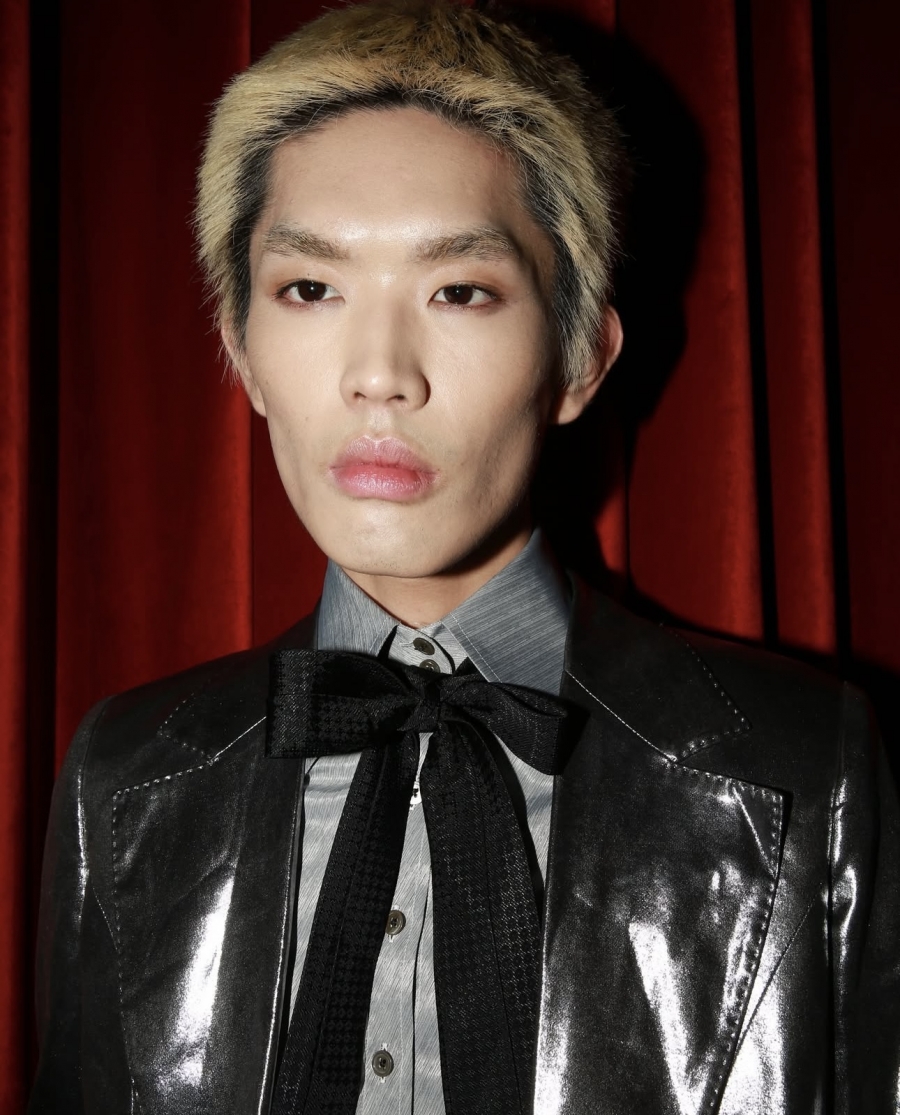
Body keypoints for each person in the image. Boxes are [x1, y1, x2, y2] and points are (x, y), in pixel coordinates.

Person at [29, 2, 900, 1112]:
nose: (380, 373)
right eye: (310, 288)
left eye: (460, 290)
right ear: (243, 352)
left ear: (579, 359)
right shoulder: (124, 769)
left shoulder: (806, 762)